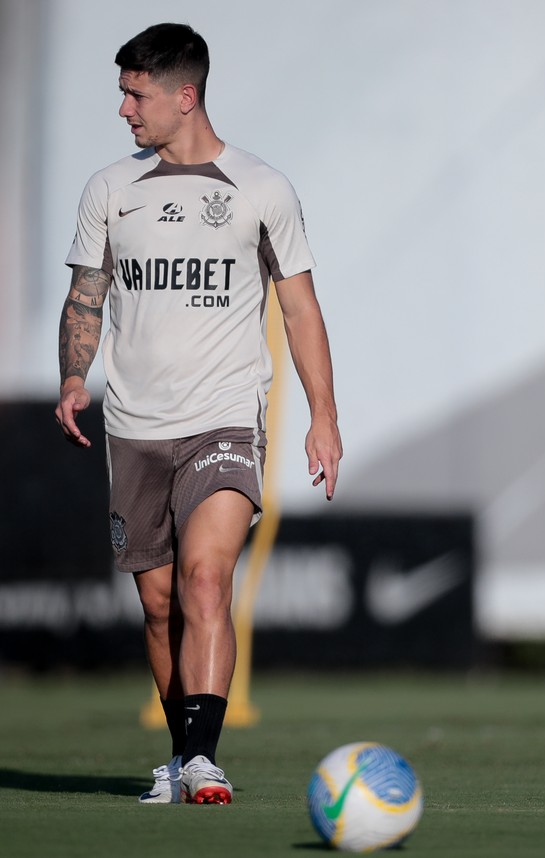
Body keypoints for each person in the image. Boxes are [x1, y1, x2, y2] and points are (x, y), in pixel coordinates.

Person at [54, 22, 342, 805]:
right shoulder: (110, 190)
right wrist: (73, 377)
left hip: (223, 417)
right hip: (135, 426)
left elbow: (301, 309)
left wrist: (324, 416)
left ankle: (204, 761)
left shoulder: (261, 188)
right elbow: (85, 295)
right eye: (121, 91)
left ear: (186, 96)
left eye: (135, 93)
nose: (123, 109)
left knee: (207, 581)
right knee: (158, 606)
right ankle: (180, 758)